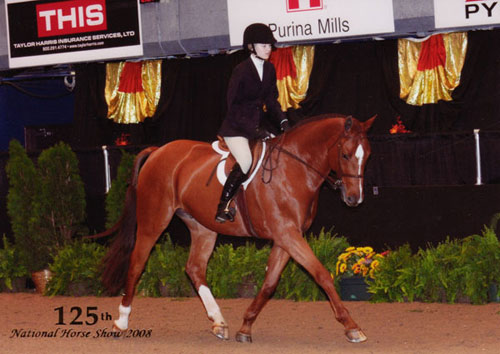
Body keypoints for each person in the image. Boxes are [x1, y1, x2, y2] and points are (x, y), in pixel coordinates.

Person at [215, 23, 291, 223]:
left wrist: (284, 122)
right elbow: (232, 105)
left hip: (258, 125)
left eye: (269, 45)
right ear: (251, 47)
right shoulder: (241, 70)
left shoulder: (269, 69)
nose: (268, 49)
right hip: (236, 127)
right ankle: (223, 205)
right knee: (246, 161)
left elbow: (271, 101)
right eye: (264, 45)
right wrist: (254, 130)